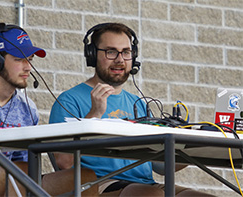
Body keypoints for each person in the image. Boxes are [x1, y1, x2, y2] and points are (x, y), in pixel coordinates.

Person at [49, 22, 214, 196]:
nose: (120, 59)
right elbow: (63, 161)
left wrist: (192, 148)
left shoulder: (139, 103)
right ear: (92, 55)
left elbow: (161, 166)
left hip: (146, 185)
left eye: (126, 52)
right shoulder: (68, 100)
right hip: (99, 184)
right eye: (111, 51)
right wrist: (94, 114)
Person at [0, 24, 98, 196]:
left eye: (30, 59)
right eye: (19, 59)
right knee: (21, 170)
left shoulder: (28, 107)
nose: (28, 67)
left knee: (85, 177)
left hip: (14, 180)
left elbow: (27, 163)